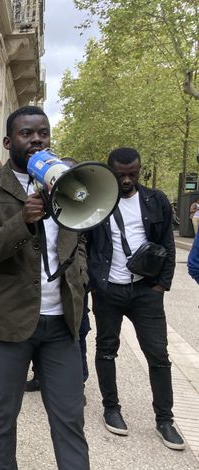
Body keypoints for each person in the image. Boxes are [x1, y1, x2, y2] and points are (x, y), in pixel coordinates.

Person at [0, 106, 95, 470]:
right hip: (11, 324)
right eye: (26, 134)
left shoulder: (69, 184)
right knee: (5, 414)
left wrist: (81, 279)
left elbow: (83, 239)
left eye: (42, 133)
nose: (36, 140)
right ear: (9, 143)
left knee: (69, 420)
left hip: (62, 324)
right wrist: (22, 221)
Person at [87, 147, 184, 451]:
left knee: (158, 355)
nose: (128, 180)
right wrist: (94, 283)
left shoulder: (155, 201)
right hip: (109, 289)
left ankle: (165, 420)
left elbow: (167, 243)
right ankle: (111, 408)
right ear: (110, 171)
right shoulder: (97, 202)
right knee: (106, 349)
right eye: (121, 175)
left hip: (146, 291)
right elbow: (85, 243)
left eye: (133, 174)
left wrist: (161, 286)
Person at [24, 157, 91, 402]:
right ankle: (41, 376)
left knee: (78, 333)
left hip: (72, 292)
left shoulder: (81, 203)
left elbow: (83, 241)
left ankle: (77, 383)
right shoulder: (36, 202)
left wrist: (81, 275)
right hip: (37, 301)